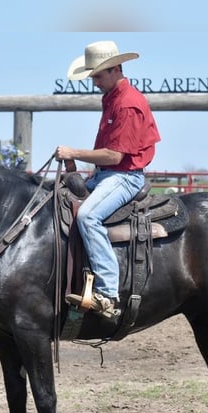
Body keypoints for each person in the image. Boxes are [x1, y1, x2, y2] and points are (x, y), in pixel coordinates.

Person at [55, 40, 160, 319]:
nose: (94, 83)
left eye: (98, 76)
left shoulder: (127, 104)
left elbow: (115, 157)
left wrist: (73, 152)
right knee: (58, 200)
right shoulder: (113, 98)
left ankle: (108, 293)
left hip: (125, 177)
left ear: (116, 69)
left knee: (88, 216)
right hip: (107, 175)